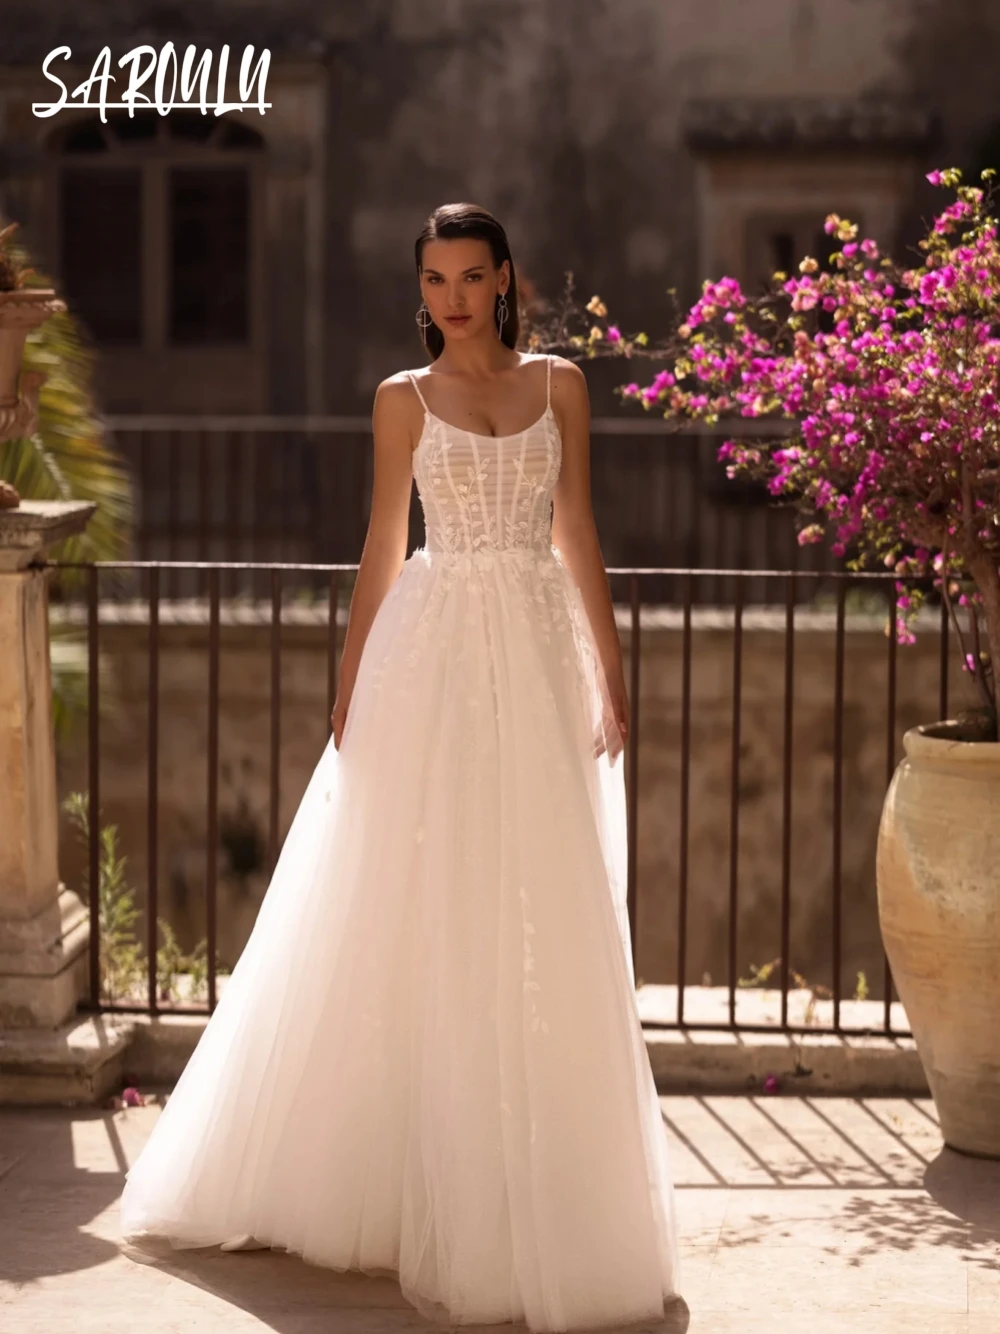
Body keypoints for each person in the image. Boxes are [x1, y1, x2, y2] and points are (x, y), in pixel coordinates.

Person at [119, 202, 680, 1332]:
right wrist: (348, 677)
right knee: (417, 901)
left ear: (506, 278)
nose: (454, 298)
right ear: (418, 287)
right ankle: (406, 1176)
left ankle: (543, 1183)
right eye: (435, 279)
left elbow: (578, 533)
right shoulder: (399, 401)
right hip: (430, 657)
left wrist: (610, 669)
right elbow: (384, 544)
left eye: (472, 276)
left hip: (531, 648)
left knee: (544, 903)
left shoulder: (561, 384)